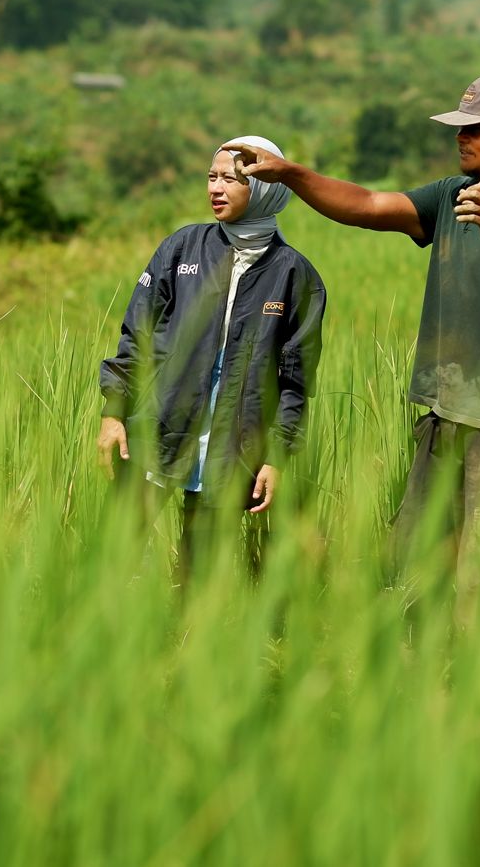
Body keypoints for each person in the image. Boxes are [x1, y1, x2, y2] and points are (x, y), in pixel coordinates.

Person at [228, 73, 480, 594]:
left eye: (477, 128)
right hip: (441, 421)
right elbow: (369, 206)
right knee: (418, 580)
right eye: (459, 128)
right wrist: (290, 174)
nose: (462, 137)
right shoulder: (452, 195)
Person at [97, 135, 327, 578]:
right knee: (114, 553)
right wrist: (113, 413)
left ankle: (186, 645)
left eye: (232, 179)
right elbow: (136, 336)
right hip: (155, 428)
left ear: (264, 189)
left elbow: (296, 383)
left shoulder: (295, 275)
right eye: (212, 176)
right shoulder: (182, 248)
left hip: (230, 445)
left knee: (198, 572)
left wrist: (277, 456)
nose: (216, 188)